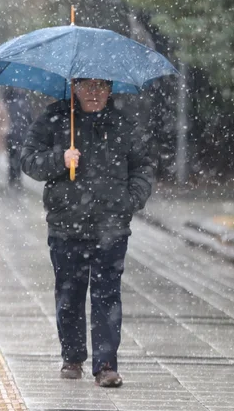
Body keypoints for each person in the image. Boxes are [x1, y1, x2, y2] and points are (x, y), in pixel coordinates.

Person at [20, 78, 154, 388]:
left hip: (112, 226)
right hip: (66, 224)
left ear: (111, 89)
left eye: (100, 87)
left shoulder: (124, 124)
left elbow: (144, 166)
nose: (93, 93)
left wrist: (129, 201)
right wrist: (59, 158)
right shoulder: (55, 119)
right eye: (86, 86)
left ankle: (106, 365)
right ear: (73, 88)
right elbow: (28, 160)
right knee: (69, 293)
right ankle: (73, 356)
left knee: (107, 294)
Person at [3, 88, 32, 189]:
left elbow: (29, 119)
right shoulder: (10, 101)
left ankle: (17, 179)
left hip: (21, 136)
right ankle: (12, 178)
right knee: (11, 158)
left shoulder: (25, 102)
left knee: (18, 158)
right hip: (11, 136)